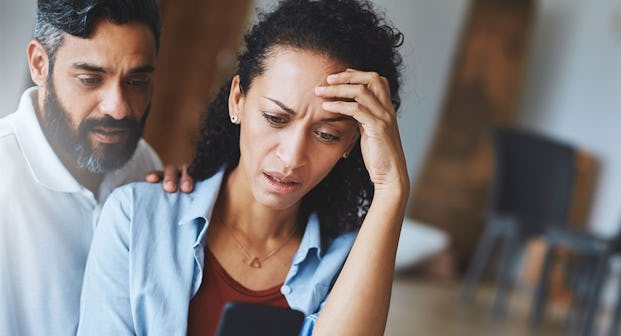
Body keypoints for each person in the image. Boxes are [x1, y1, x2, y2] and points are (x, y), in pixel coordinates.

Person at [77, 0, 409, 334]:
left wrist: (391, 188)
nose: (292, 157)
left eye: (327, 135)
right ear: (238, 99)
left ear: (352, 141)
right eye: (275, 118)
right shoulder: (136, 218)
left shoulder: (349, 261)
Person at [0, 1, 189, 334]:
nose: (117, 109)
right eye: (90, 79)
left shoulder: (144, 165)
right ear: (39, 64)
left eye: (136, 82)